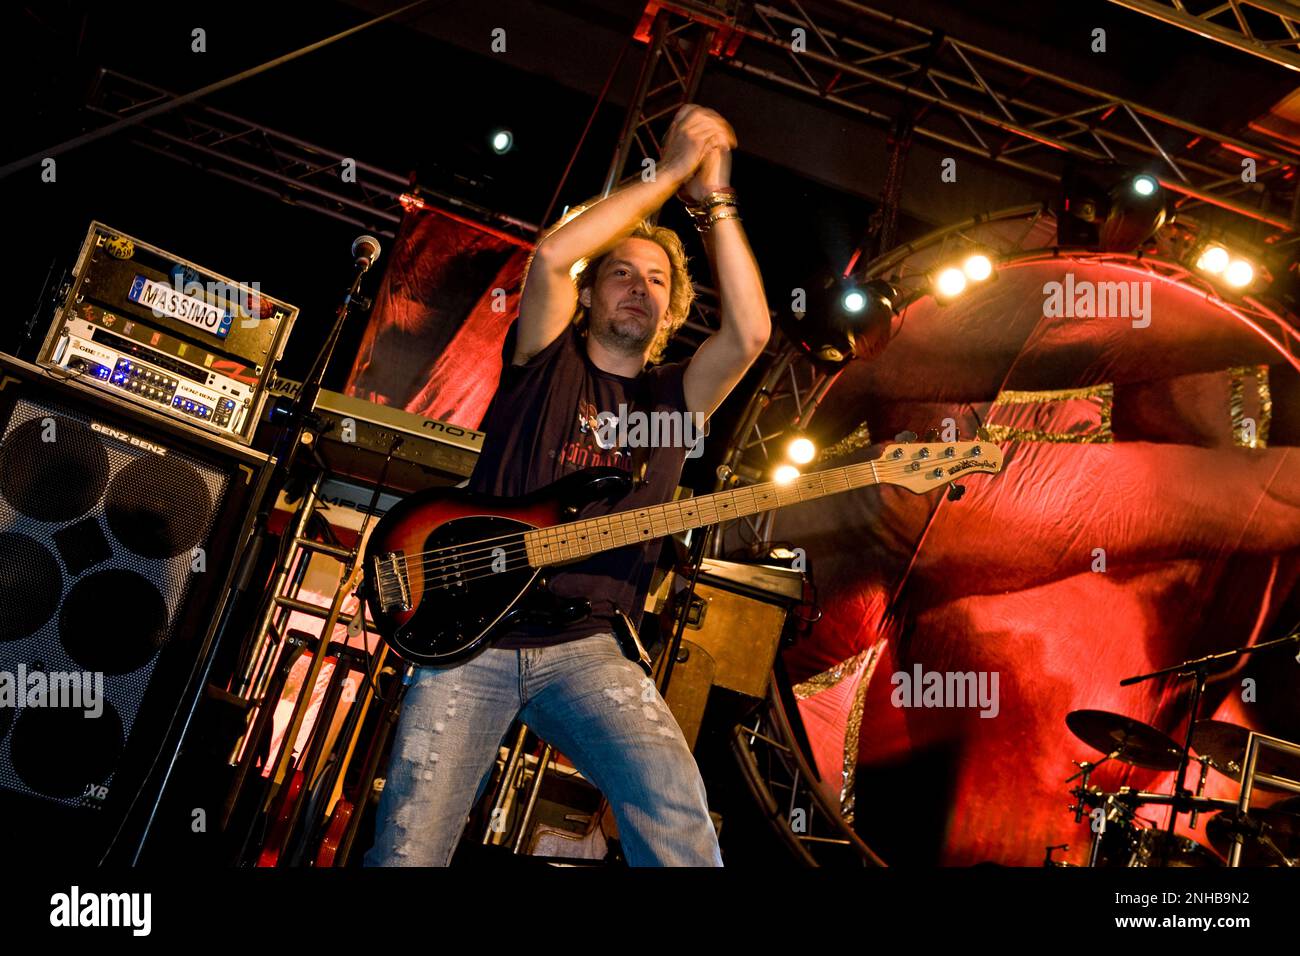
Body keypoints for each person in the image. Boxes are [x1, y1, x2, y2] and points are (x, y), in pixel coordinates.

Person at [364, 104, 770, 867]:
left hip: (588, 645)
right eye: (621, 273)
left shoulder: (673, 404)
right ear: (588, 296)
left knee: (677, 819)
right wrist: (672, 175)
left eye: (656, 280)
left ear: (671, 309)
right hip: (470, 644)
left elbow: (750, 334)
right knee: (409, 849)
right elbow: (553, 256)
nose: (639, 288)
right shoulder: (549, 359)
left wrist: (715, 202)